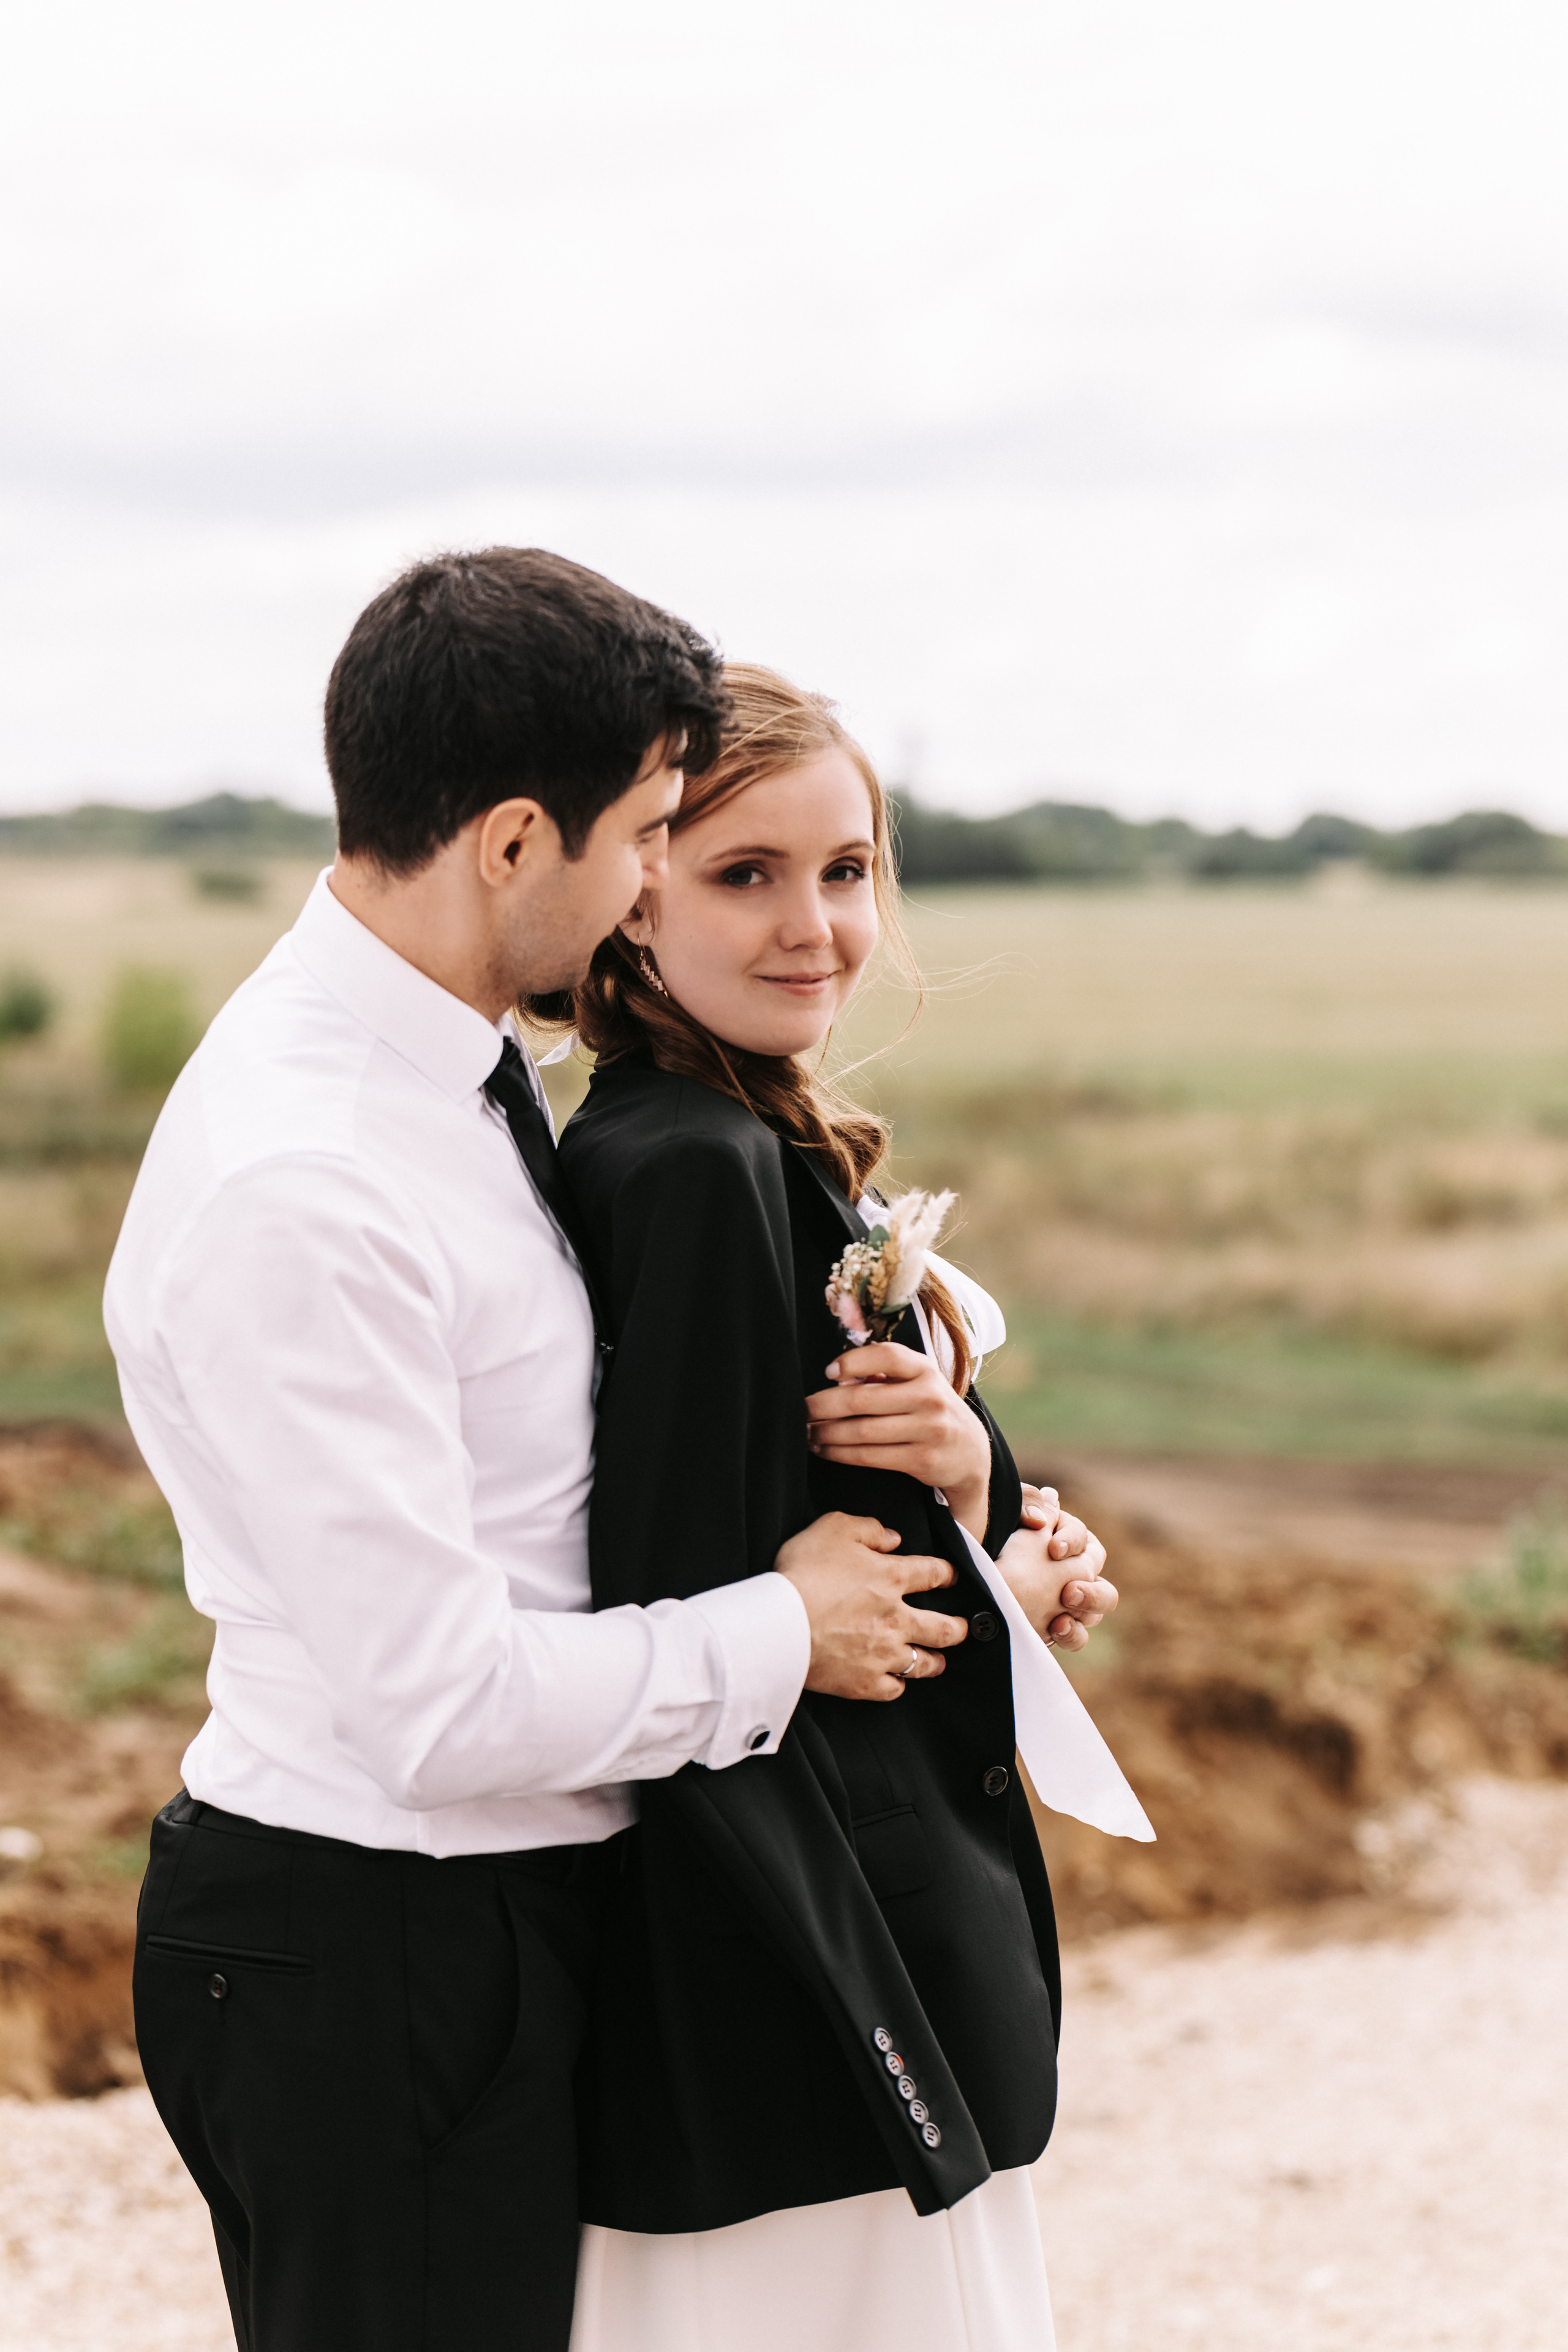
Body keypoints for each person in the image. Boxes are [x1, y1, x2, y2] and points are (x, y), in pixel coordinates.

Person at [107, 551, 1092, 2352]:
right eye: (653, 833)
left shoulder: (446, 1076)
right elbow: (440, 1710)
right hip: (375, 1934)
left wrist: (958, 1461)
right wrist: (792, 1628)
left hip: (502, 1913)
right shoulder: (310, 1181)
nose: (656, 877)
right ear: (507, 844)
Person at [541, 665, 1144, 2352]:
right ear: (632, 891)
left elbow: (837, 1548)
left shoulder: (751, 1140)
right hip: (804, 1995)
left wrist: (985, 1498)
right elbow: (690, 1604)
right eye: (747, 874)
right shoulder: (688, 1170)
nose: (817, 925)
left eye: (849, 869)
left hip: (841, 1964)